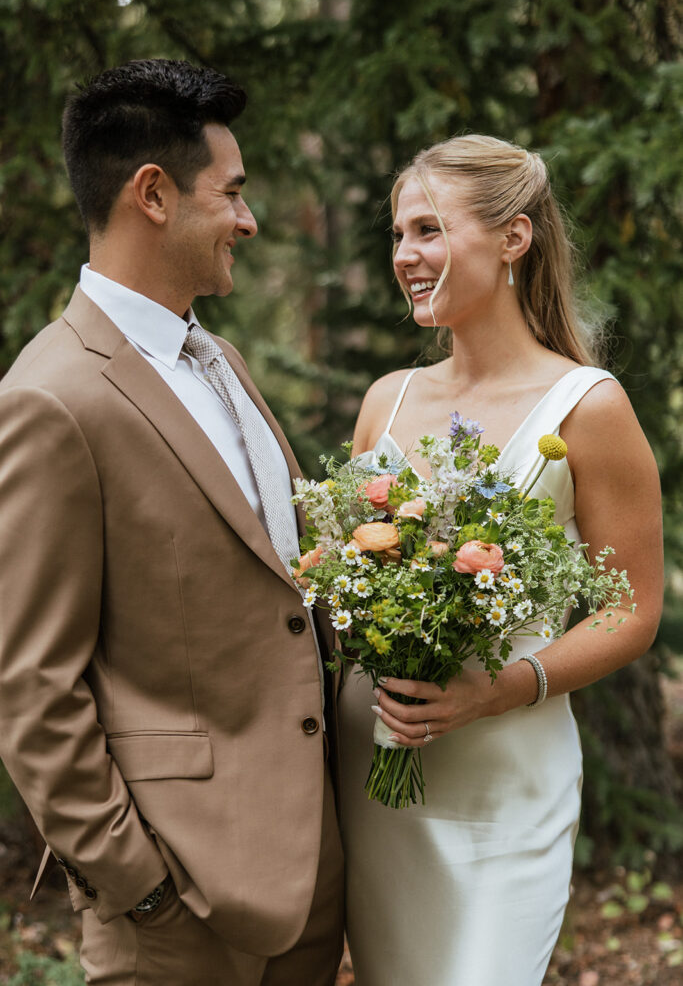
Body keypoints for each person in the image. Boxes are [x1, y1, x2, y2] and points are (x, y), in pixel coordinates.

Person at [0, 59, 343, 985]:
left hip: (307, 880)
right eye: (230, 193)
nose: (249, 219)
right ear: (153, 194)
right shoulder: (50, 398)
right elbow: (33, 685)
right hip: (177, 910)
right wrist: (137, 884)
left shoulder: (217, 356)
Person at [339, 134, 663, 986]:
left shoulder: (587, 407)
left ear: (513, 238)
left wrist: (500, 689)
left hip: (506, 780)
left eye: (429, 231)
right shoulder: (386, 401)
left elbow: (630, 609)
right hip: (377, 768)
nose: (407, 256)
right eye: (400, 235)